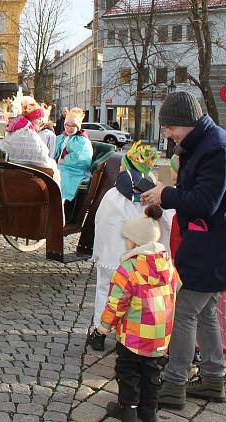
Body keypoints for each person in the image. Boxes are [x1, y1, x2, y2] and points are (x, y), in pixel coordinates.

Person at [139, 91, 226, 409]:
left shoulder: (215, 148)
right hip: (217, 246)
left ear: (186, 123)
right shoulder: (205, 143)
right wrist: (168, 192)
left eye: (169, 128)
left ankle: (174, 385)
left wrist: (167, 194)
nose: (166, 134)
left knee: (185, 313)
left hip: (214, 248)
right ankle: (213, 379)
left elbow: (206, 203)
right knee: (205, 312)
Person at [87, 141, 172, 352]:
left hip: (111, 257)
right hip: (139, 261)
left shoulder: (112, 196)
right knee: (136, 296)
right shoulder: (152, 197)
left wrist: (99, 251)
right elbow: (162, 225)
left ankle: (100, 331)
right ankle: (128, 333)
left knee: (106, 290)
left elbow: (101, 223)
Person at [98, 206, 180, 422]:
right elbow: (176, 288)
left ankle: (128, 408)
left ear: (135, 243)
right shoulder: (167, 265)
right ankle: (149, 410)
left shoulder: (129, 268)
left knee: (128, 370)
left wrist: (104, 326)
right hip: (159, 334)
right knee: (151, 372)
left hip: (134, 334)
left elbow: (117, 303)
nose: (126, 243)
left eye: (128, 239)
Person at [0, 96, 58, 176]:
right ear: (32, 118)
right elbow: (43, 160)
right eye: (39, 118)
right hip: (27, 176)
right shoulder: (27, 132)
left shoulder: (19, 128)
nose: (41, 121)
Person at [54, 107, 93, 207]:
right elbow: (54, 149)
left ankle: (61, 202)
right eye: (67, 125)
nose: (69, 128)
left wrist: (63, 161)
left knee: (61, 175)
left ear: (78, 127)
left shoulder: (82, 140)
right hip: (60, 164)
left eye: (73, 126)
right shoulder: (62, 137)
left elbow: (81, 158)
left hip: (74, 169)